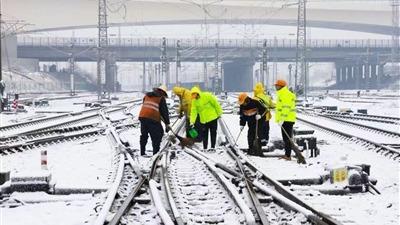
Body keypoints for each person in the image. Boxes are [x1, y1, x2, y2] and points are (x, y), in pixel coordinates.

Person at [138, 85, 170, 156]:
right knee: (158, 134)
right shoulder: (161, 98)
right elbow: (164, 112)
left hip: (143, 117)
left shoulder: (146, 96)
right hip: (152, 119)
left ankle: (142, 152)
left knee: (144, 135)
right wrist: (167, 124)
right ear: (162, 92)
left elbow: (148, 106)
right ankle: (155, 153)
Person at [274, 79, 296, 160]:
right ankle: (287, 154)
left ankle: (288, 155)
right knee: (286, 138)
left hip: (287, 119)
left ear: (281, 86)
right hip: (285, 119)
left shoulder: (285, 94)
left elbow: (286, 108)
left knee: (287, 138)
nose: (275, 87)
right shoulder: (282, 93)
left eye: (277, 85)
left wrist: (282, 118)